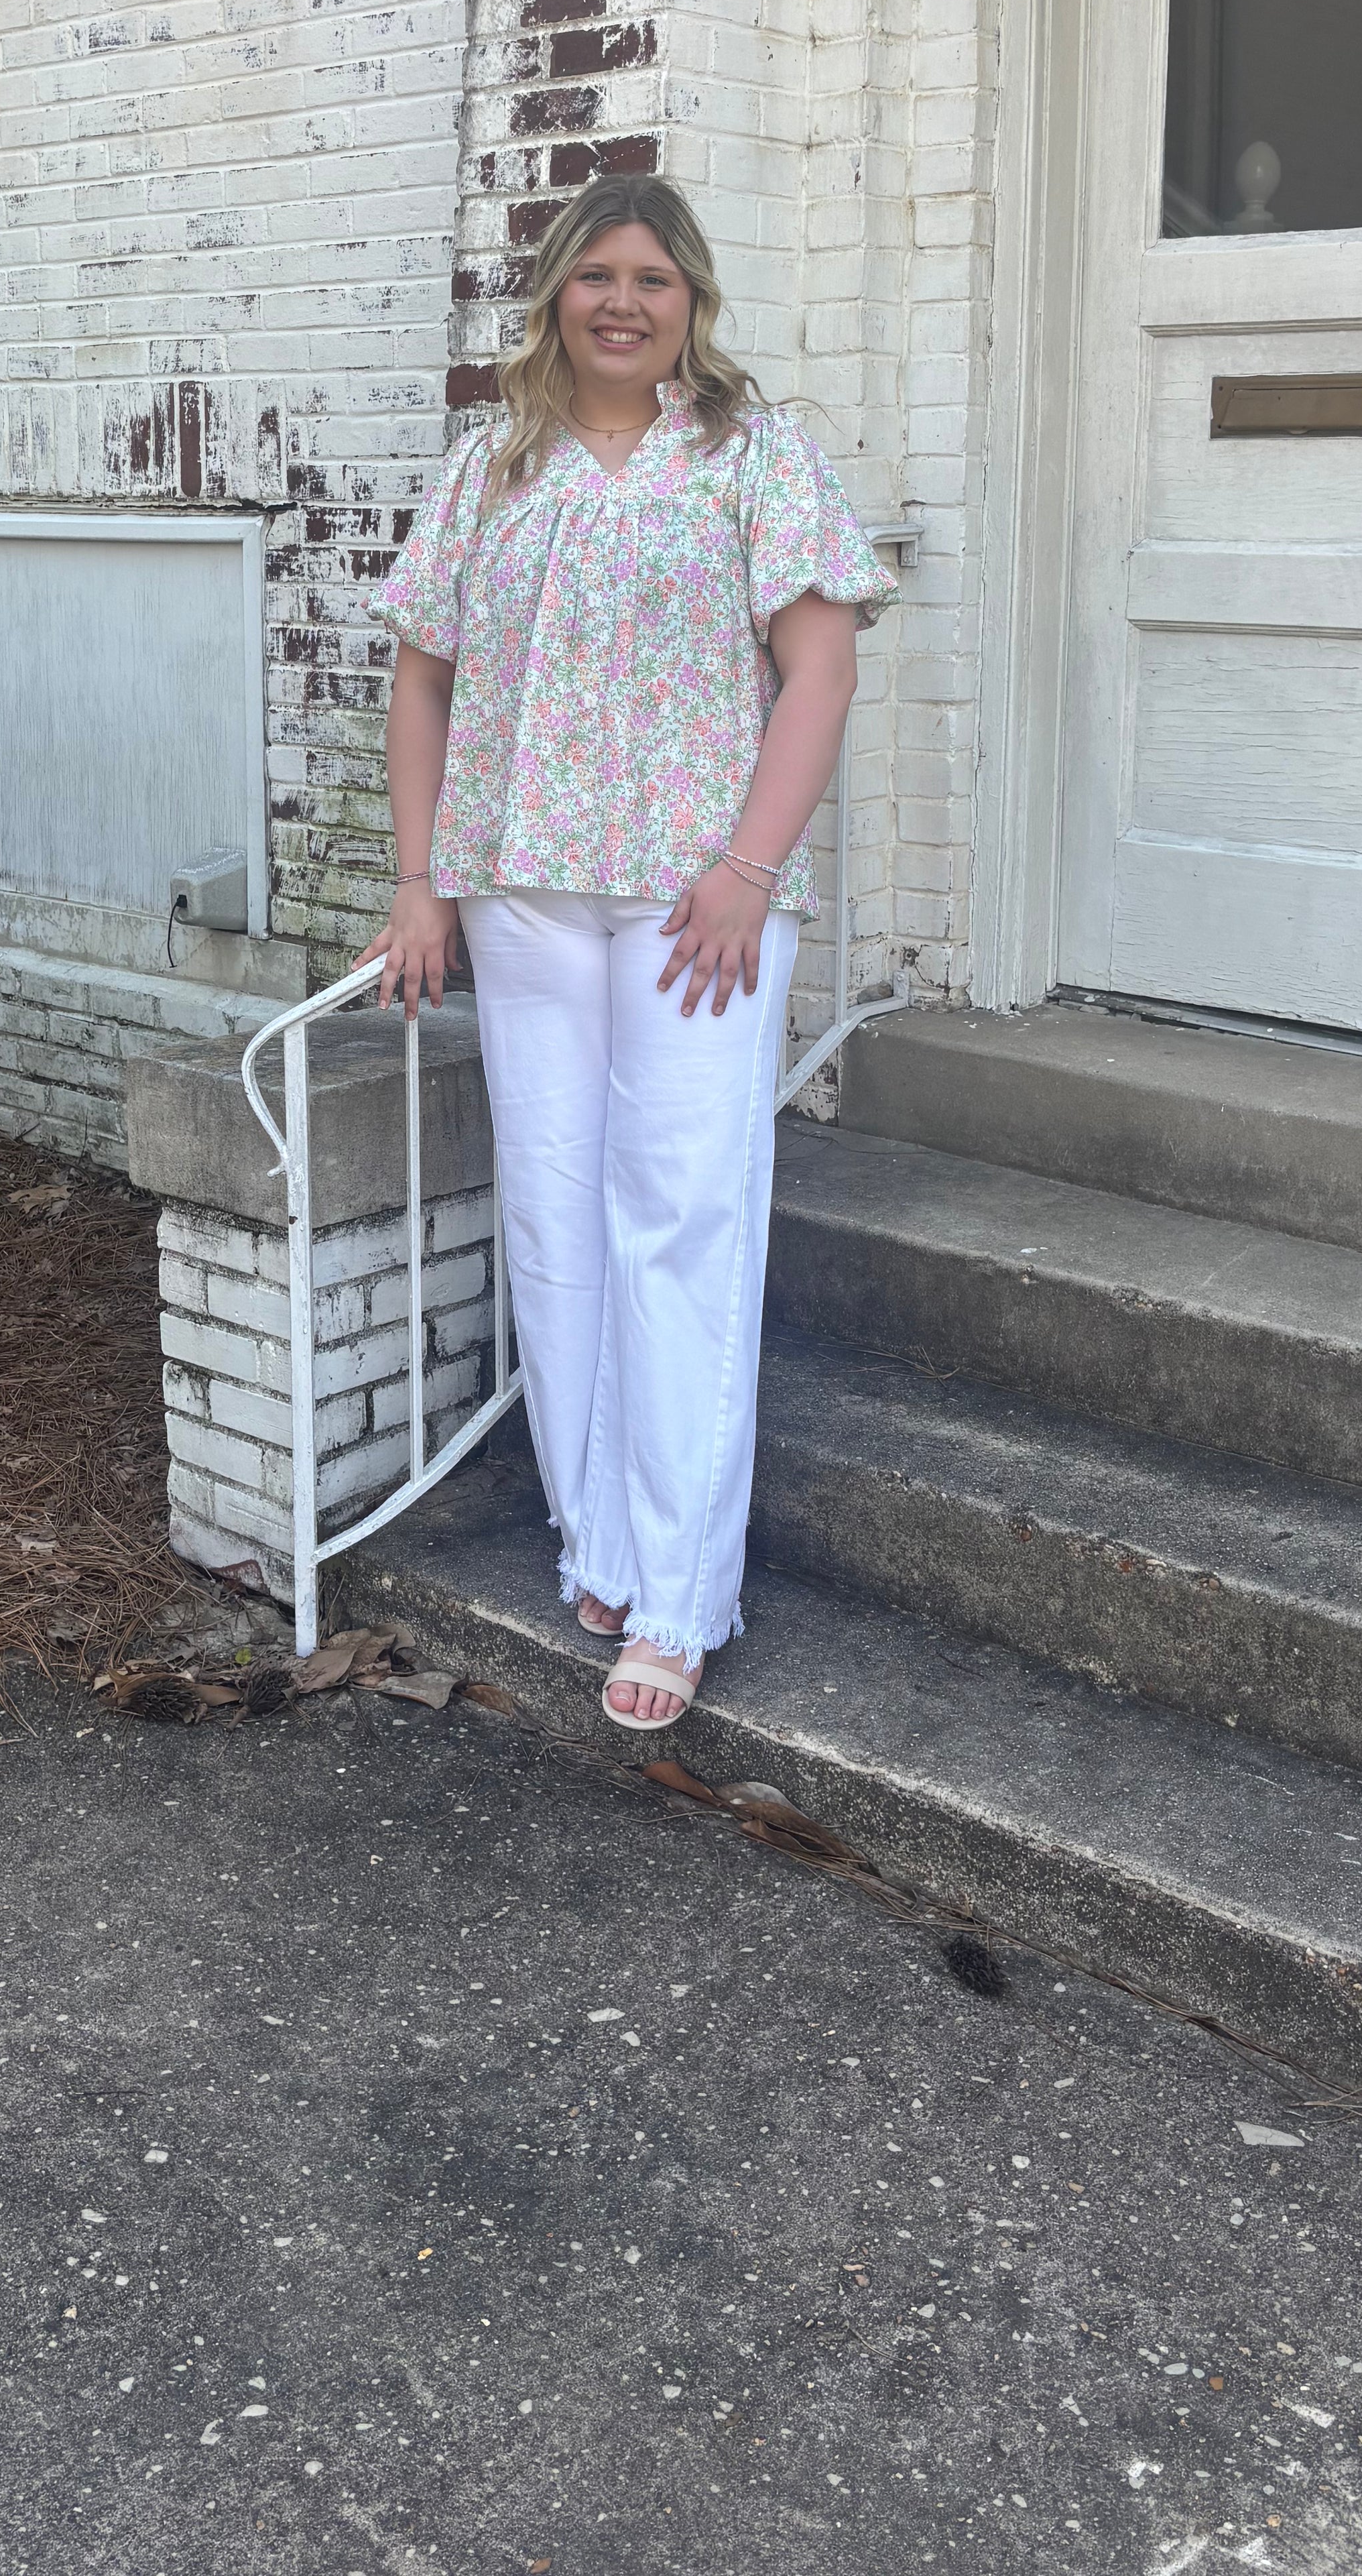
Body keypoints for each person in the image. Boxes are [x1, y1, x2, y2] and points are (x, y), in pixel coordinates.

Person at [364, 180, 891, 1731]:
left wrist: (748, 870)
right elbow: (422, 685)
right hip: (524, 895)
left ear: (691, 301)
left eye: (652, 276)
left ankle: (679, 1592)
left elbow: (822, 665)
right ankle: (596, 1528)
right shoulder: (493, 465)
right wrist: (422, 884)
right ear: (552, 295)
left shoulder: (750, 455)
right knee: (556, 1213)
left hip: (692, 911)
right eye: (595, 273)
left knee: (682, 1219)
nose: (622, 299)